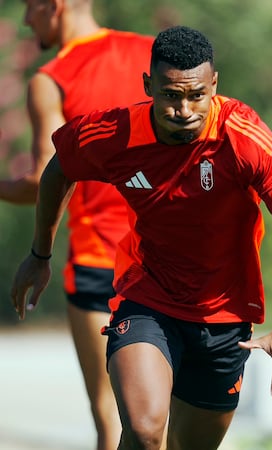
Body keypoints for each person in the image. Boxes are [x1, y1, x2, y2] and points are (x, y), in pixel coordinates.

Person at [11, 25, 272, 450]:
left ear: (214, 84)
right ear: (149, 86)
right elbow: (59, 168)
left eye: (196, 95)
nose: (184, 109)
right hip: (149, 299)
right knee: (144, 432)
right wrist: (40, 253)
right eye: (170, 95)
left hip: (225, 316)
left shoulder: (244, 138)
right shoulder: (116, 134)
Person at [2, 1, 154, 449]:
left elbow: (44, 178)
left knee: (111, 418)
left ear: (56, 5)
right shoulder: (150, 53)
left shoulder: (50, 80)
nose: (26, 20)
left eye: (30, 8)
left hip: (96, 262)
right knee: (163, 419)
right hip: (161, 259)